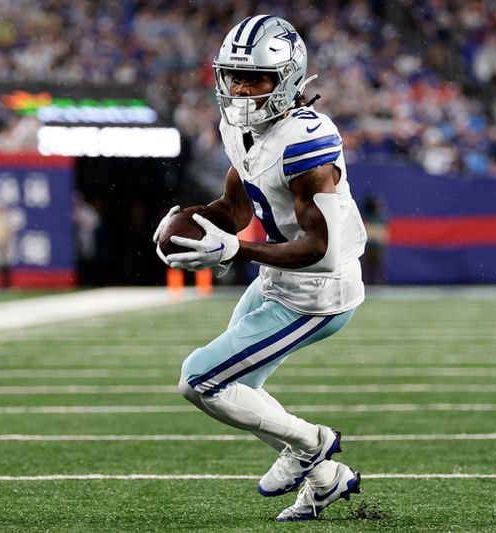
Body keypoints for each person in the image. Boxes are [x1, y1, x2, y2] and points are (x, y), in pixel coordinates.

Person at [154, 16, 367, 522]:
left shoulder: (308, 143)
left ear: (289, 79)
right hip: (280, 279)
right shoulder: (241, 126)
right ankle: (325, 480)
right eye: (235, 76)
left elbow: (324, 249)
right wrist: (196, 223)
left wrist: (234, 252)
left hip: (320, 293)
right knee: (236, 384)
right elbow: (239, 205)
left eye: (258, 79)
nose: (243, 89)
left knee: (200, 380)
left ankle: (312, 444)